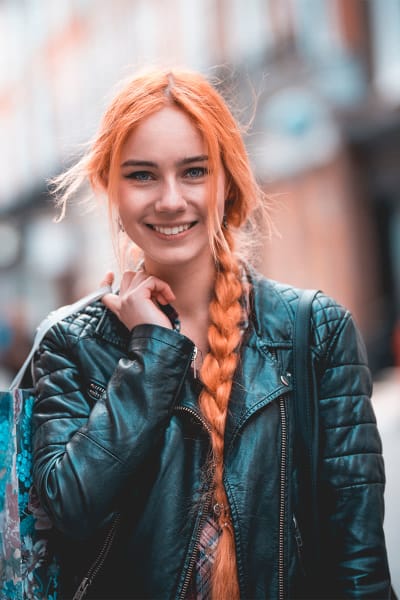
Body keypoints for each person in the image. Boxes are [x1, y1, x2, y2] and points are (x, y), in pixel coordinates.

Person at [32, 68, 391, 599]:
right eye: (142, 175)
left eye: (194, 171)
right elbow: (69, 514)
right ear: (109, 186)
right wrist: (150, 357)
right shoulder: (70, 342)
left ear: (227, 181)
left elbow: (357, 563)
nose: (170, 199)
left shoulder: (315, 331)